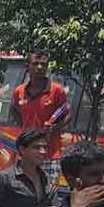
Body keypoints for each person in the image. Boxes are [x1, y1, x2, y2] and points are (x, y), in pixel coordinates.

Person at [11, 51, 69, 184]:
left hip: (49, 153)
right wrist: (27, 129)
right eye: (35, 64)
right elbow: (14, 110)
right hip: (26, 153)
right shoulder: (19, 91)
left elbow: (67, 114)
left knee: (47, 194)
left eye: (43, 64)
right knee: (25, 191)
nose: (39, 67)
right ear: (27, 67)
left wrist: (55, 128)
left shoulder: (57, 90)